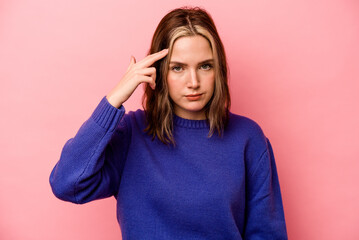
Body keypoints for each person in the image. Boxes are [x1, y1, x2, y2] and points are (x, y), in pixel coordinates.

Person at [49, 6, 288, 239]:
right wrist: (113, 100)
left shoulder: (248, 138)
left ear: (219, 69)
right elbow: (67, 184)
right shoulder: (132, 134)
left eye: (205, 66)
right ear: (159, 71)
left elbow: (267, 233)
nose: (193, 81)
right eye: (178, 68)